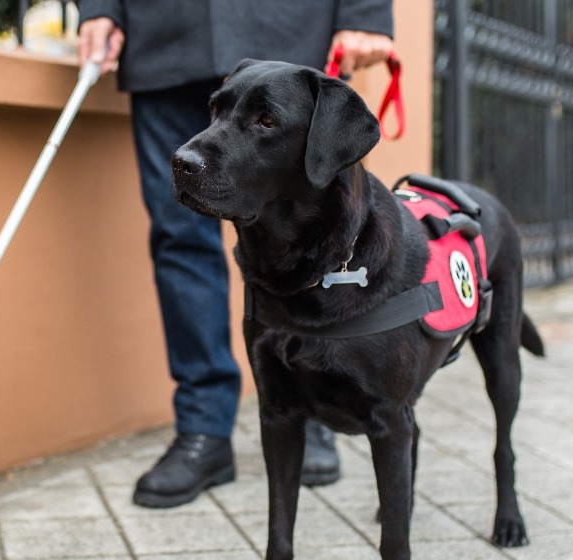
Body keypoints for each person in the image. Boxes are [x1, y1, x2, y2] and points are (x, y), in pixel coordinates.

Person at [76, 0, 395, 508]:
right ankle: (203, 428)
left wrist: (367, 11)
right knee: (179, 235)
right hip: (164, 36)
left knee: (309, 240)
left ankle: (310, 407)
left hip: (286, 24)